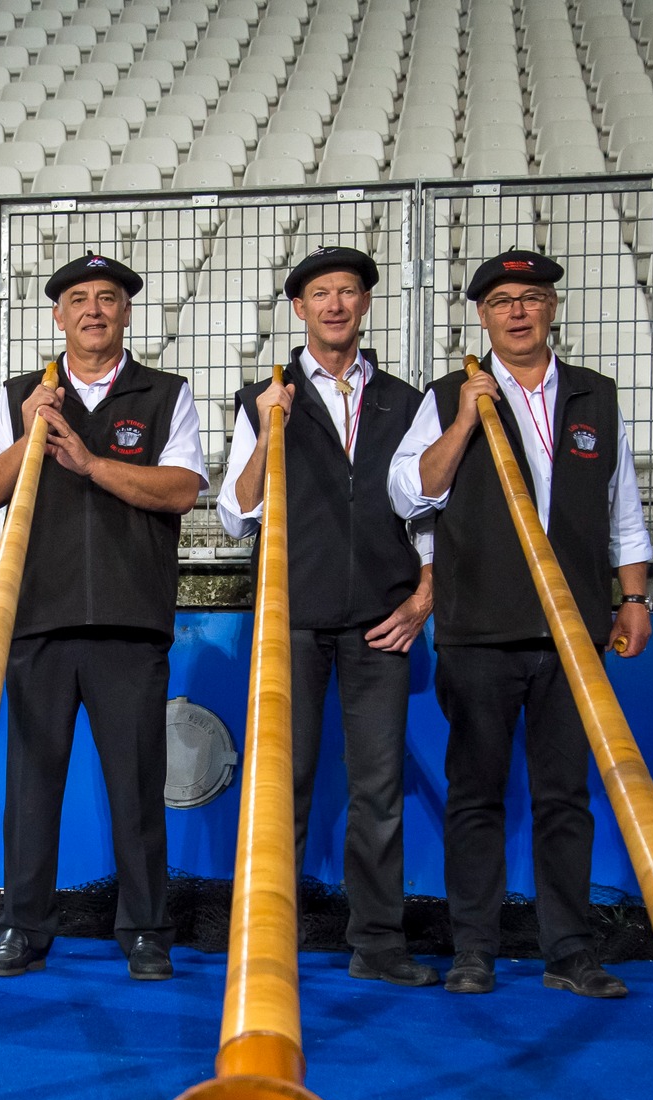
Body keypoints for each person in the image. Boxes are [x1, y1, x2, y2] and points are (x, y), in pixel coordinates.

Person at [388, 250, 653, 1000]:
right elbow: (410, 493)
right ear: (482, 316)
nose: (517, 311)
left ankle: (569, 949)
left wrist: (634, 600)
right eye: (502, 300)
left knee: (566, 794)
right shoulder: (449, 396)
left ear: (550, 309)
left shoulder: (595, 397)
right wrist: (468, 420)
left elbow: (622, 510)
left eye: (531, 297)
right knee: (475, 793)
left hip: (574, 633)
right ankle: (473, 947)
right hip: (479, 628)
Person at [0, 253, 207, 982]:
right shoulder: (22, 395)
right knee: (31, 784)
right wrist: (28, 436)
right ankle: (23, 928)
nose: (94, 310)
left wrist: (91, 463)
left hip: (131, 622)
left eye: (108, 298)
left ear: (127, 312)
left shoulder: (165, 392)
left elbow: (184, 489)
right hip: (37, 619)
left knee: (138, 785)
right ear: (57, 315)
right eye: (78, 299)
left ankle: (145, 931)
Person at [219, 246, 439, 987]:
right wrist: (268, 428)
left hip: (382, 621)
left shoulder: (406, 401)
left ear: (366, 304)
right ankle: (265, 941)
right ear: (300, 309)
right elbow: (235, 514)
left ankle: (378, 942)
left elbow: (427, 513)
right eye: (321, 293)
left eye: (349, 291)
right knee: (283, 785)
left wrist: (422, 597)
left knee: (377, 789)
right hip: (290, 621)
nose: (336, 304)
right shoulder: (265, 395)